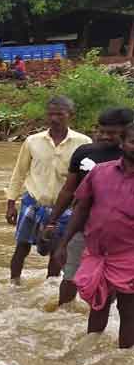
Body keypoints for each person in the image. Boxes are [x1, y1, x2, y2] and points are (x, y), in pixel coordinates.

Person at [55, 124, 134, 348]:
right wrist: (64, 243)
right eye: (133, 142)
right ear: (123, 142)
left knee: (128, 311)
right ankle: (91, 355)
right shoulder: (100, 172)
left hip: (129, 256)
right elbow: (81, 208)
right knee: (98, 304)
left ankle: (122, 357)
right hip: (97, 252)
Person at [44, 107, 133, 305]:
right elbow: (69, 191)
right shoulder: (86, 152)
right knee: (70, 275)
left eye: (111, 133)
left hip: (124, 241)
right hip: (84, 229)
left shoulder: (129, 158)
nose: (104, 137)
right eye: (101, 131)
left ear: (126, 131)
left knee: (117, 290)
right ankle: (64, 313)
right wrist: (53, 221)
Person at [5, 96, 91, 283]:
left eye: (60, 114)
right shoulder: (32, 141)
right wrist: (11, 203)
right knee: (21, 246)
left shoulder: (83, 143)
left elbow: (89, 179)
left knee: (58, 250)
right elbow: (19, 172)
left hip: (66, 207)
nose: (54, 118)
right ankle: (13, 284)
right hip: (33, 202)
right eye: (51, 114)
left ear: (71, 115)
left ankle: (49, 290)